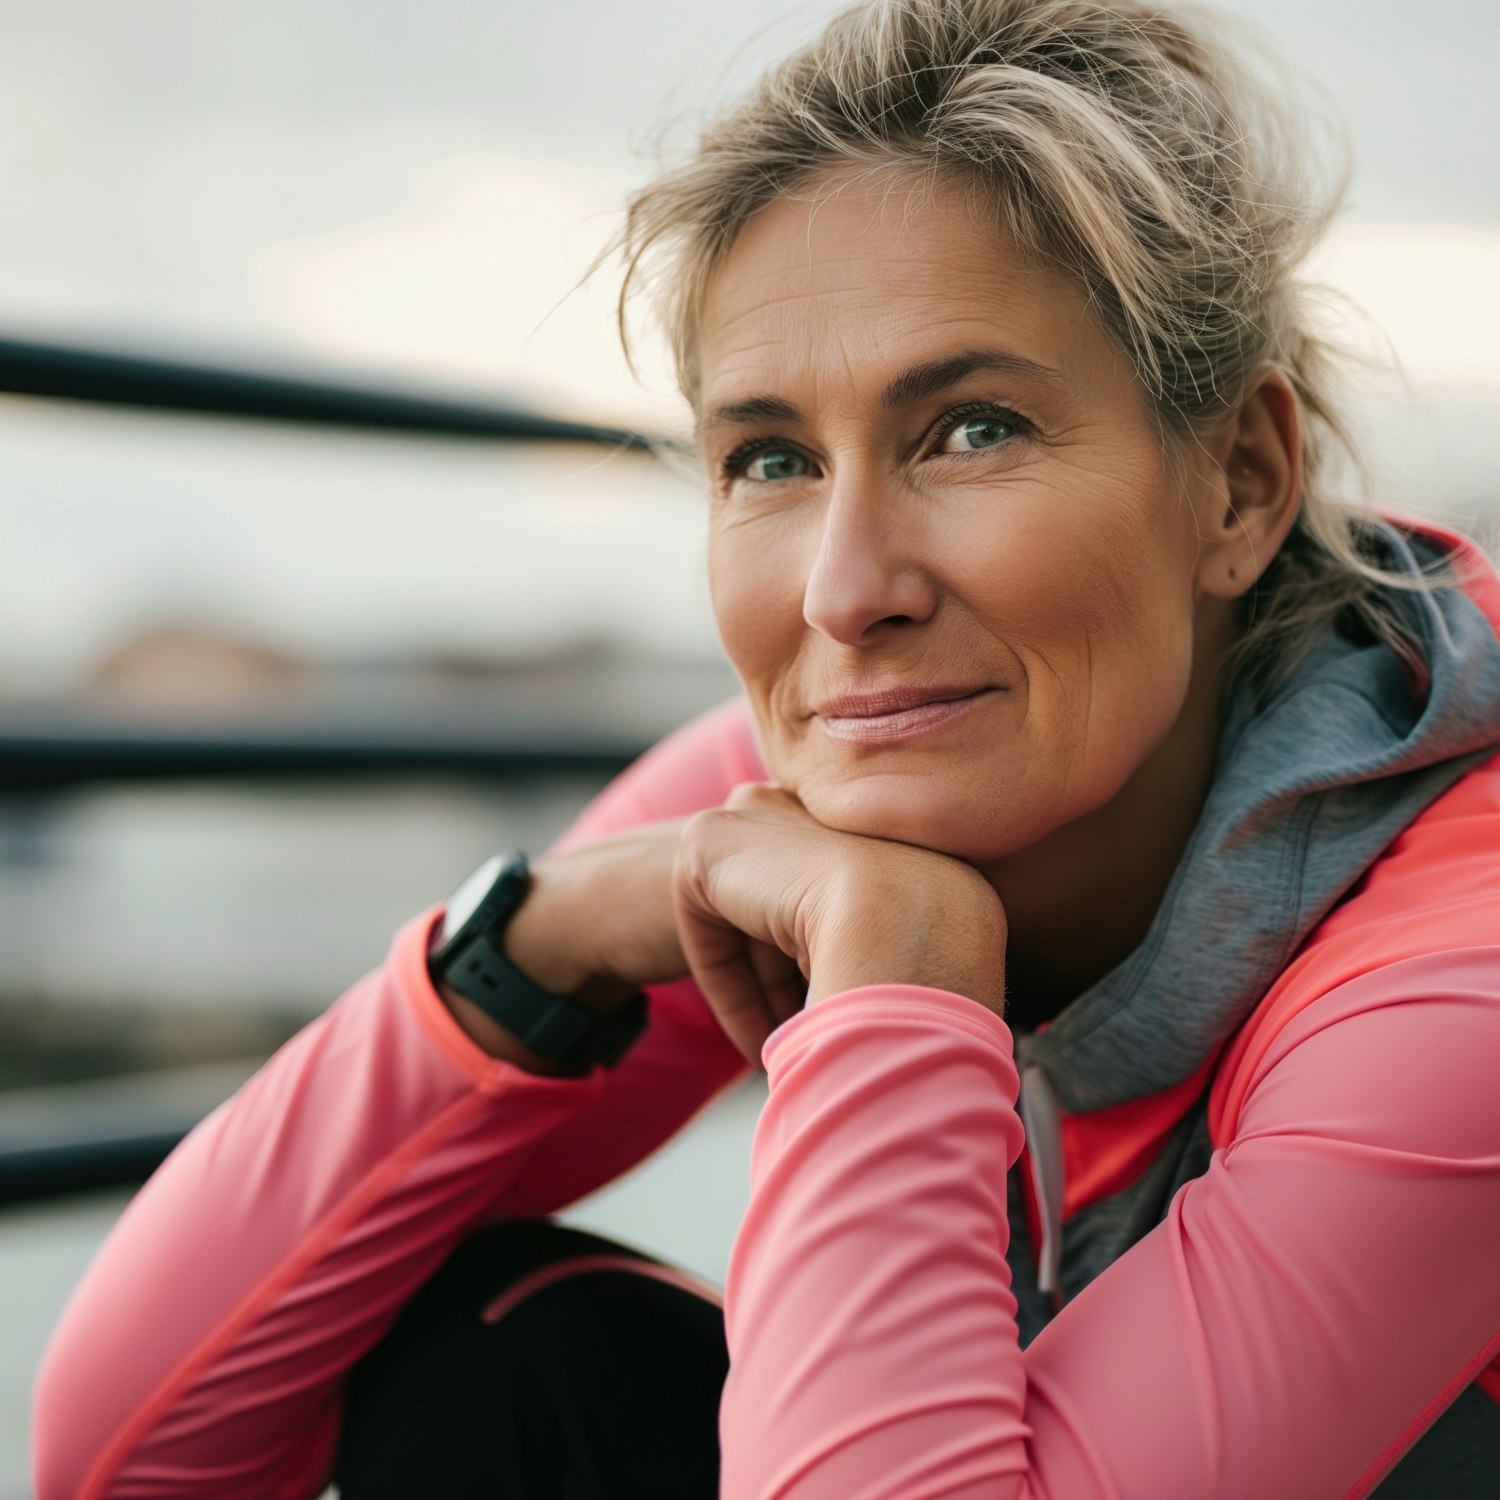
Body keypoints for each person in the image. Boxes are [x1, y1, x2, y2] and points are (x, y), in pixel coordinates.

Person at [31, 0, 1500, 1495]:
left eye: (973, 430)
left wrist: (899, 984)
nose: (846, 591)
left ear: (1240, 484)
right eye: (773, 461)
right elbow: (125, 1449)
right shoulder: (827, 772)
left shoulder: (1458, 983)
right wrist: (542, 942)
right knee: (484, 1348)